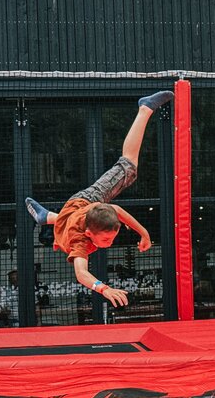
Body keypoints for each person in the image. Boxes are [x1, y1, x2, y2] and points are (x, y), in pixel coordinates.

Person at [24, 91, 173, 308]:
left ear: (88, 233)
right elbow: (116, 212)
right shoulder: (88, 226)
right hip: (73, 213)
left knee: (129, 166)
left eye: (110, 238)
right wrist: (143, 234)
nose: (109, 243)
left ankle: (145, 109)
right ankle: (46, 217)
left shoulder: (80, 240)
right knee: (69, 220)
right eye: (107, 239)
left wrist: (144, 233)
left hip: (85, 201)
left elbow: (81, 273)